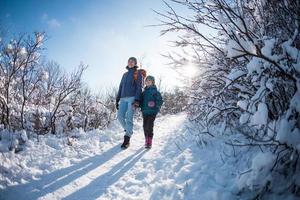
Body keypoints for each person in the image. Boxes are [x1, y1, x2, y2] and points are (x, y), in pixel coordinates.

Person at [116, 57, 143, 149]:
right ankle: (129, 130)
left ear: (135, 63)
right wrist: (117, 98)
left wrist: (137, 100)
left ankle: (127, 138)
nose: (130, 63)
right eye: (129, 61)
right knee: (120, 116)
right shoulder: (124, 75)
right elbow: (120, 87)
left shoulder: (138, 73)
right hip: (123, 98)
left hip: (132, 98)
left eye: (132, 61)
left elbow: (139, 87)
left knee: (129, 117)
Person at [140, 75, 163, 149]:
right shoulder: (143, 92)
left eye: (149, 80)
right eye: (146, 81)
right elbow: (141, 101)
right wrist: (138, 105)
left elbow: (160, 100)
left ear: (153, 82)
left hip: (152, 112)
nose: (148, 82)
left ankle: (149, 141)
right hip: (145, 111)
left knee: (149, 126)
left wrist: (156, 105)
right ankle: (146, 139)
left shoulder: (155, 92)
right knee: (144, 126)